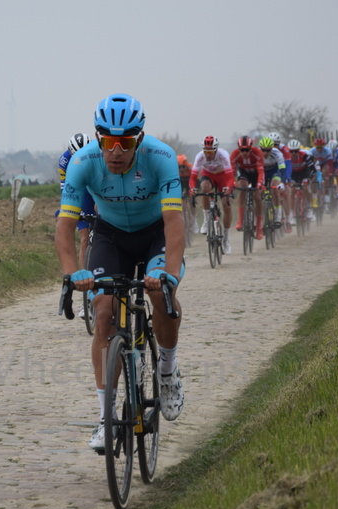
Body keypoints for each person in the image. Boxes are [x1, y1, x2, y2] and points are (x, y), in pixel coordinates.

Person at [55, 93, 185, 450]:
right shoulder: (83, 162)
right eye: (108, 141)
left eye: (124, 142)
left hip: (154, 233)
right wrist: (71, 274)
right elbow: (65, 226)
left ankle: (168, 371)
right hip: (111, 236)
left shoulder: (161, 158)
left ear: (139, 138)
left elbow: (174, 223)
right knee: (104, 313)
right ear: (97, 137)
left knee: (161, 294)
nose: (115, 150)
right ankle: (105, 419)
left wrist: (169, 274)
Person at [58, 133, 95, 318]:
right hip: (79, 189)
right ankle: (87, 299)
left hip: (94, 188)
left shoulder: (97, 154)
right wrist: (65, 213)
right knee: (84, 240)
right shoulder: (65, 160)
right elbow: (67, 190)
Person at [190, 136, 235, 254]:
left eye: (210, 151)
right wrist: (193, 189)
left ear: (215, 150)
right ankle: (206, 219)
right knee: (204, 188)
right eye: (206, 151)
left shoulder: (223, 155)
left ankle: (226, 239)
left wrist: (228, 188)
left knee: (226, 204)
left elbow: (230, 177)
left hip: (222, 176)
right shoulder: (200, 156)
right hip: (208, 175)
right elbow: (193, 177)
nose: (208, 154)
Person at [231, 135, 265, 239]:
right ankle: (240, 220)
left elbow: (261, 171)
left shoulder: (257, 153)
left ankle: (259, 226)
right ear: (239, 148)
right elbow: (231, 172)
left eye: (247, 150)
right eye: (242, 150)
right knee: (242, 187)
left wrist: (259, 184)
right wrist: (233, 183)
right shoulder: (235, 154)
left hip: (255, 175)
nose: (244, 152)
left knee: (257, 197)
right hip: (244, 173)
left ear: (251, 148)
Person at [287, 139, 318, 223]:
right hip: (293, 173)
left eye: (296, 151)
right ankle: (292, 214)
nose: (293, 153)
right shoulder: (286, 157)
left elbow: (313, 169)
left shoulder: (304, 155)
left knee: (305, 187)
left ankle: (309, 208)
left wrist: (310, 177)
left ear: (299, 151)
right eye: (291, 151)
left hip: (304, 172)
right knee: (292, 190)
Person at [177, 154, 198, 233]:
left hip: (189, 182)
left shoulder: (191, 167)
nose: (181, 169)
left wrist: (195, 190)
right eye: (179, 167)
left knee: (191, 199)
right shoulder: (174, 169)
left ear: (186, 164)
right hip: (181, 182)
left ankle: (194, 220)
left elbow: (196, 180)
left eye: (183, 166)